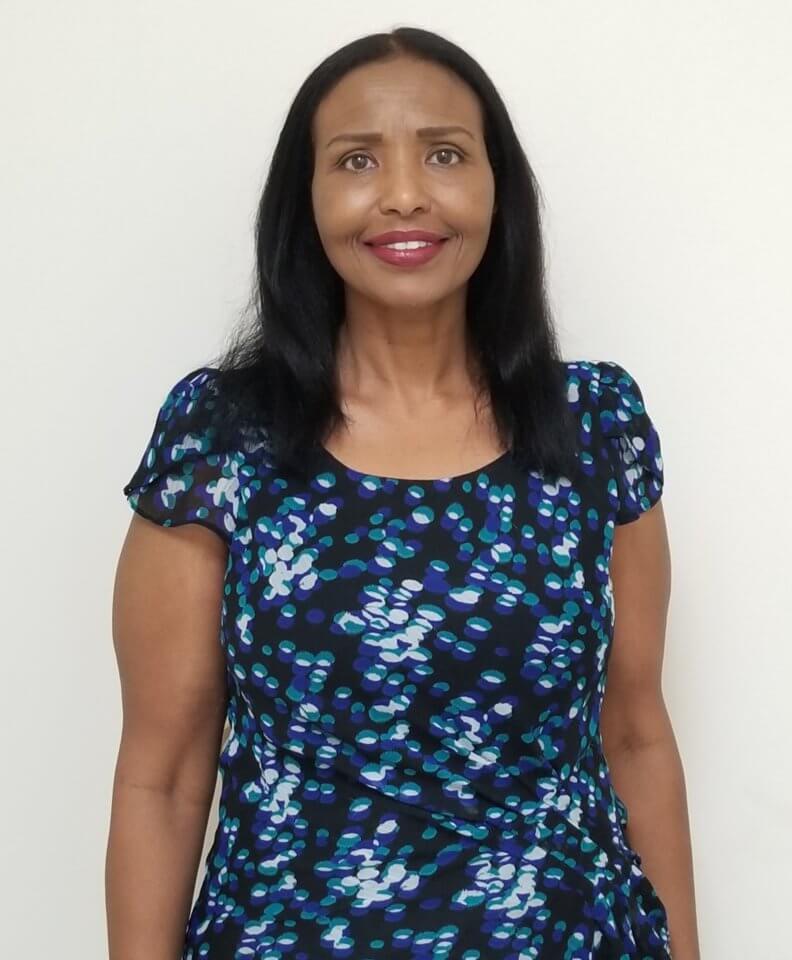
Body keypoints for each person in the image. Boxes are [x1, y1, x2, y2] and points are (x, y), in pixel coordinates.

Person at [107, 26, 700, 960]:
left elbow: (634, 736)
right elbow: (164, 776)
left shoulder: (593, 425)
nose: (403, 194)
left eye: (444, 154)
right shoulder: (221, 436)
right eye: (355, 160)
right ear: (304, 203)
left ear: (496, 188)